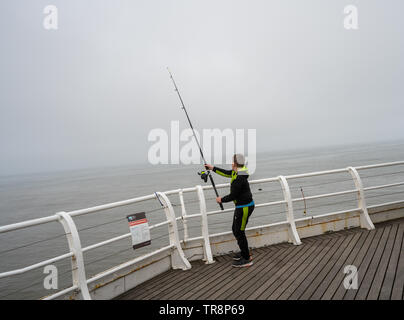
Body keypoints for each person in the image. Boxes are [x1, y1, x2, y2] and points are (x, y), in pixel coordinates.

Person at [205, 154, 255, 268]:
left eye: (233, 162)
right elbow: (227, 173)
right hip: (241, 207)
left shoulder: (239, 178)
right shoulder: (238, 171)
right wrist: (212, 168)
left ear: (235, 164)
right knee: (235, 229)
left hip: (245, 207)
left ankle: (247, 258)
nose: (231, 164)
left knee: (239, 232)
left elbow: (233, 195)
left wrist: (221, 199)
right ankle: (244, 252)